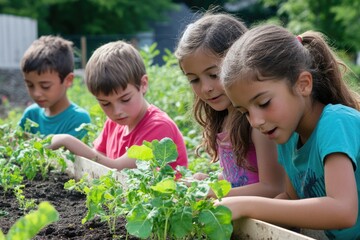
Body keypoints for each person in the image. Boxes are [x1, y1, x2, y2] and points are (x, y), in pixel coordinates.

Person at [218, 24, 360, 239]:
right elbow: (291, 201)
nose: (255, 121)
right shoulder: (288, 138)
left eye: (264, 103)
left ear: (303, 84)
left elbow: (342, 211)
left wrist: (246, 205)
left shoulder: (335, 123)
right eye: (244, 111)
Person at [174, 12, 284, 198]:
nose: (206, 88)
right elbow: (241, 179)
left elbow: (273, 188)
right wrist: (208, 182)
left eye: (214, 75)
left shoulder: (257, 123)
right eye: (194, 80)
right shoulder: (224, 118)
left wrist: (213, 193)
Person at [48, 40, 188, 171]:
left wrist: (67, 141)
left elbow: (118, 169)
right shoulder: (113, 124)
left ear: (143, 84)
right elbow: (98, 159)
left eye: (125, 99)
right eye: (105, 103)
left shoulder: (159, 127)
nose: (117, 111)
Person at [19, 35, 91, 139]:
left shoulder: (79, 120)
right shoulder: (31, 115)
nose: (36, 93)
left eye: (45, 86)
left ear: (68, 80)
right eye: (30, 85)